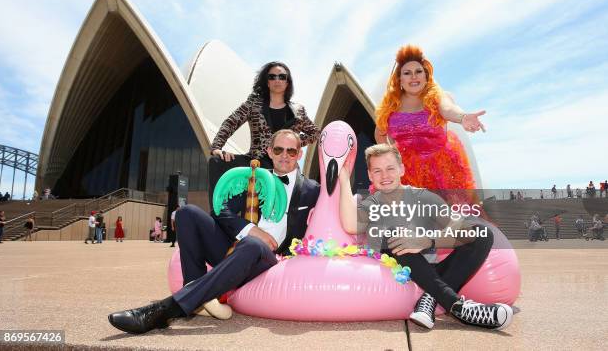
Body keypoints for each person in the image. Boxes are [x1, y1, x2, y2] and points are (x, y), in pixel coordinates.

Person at [108, 129, 320, 334]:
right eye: (279, 150)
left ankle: (165, 310)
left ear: (299, 154)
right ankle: (196, 290)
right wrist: (250, 229)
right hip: (234, 249)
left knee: (252, 245)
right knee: (187, 213)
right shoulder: (253, 179)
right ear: (268, 151)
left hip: (269, 260)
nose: (284, 156)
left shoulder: (313, 190)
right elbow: (221, 210)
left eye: (291, 151)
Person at [339, 144, 513, 331]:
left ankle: (429, 300)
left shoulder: (424, 198)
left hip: (432, 274)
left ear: (401, 169)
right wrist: (343, 176)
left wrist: (426, 239)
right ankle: (458, 306)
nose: (385, 176)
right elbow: (350, 224)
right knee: (393, 234)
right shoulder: (370, 204)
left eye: (390, 168)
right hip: (395, 278)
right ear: (370, 175)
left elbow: (457, 225)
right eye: (377, 171)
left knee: (481, 234)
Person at [207, 61, 319, 208]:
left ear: (287, 82)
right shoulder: (253, 104)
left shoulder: (298, 110)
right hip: (255, 160)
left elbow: (315, 133)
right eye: (272, 77)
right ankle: (219, 214)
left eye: (282, 77)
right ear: (267, 82)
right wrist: (217, 147)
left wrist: (292, 144)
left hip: (283, 163)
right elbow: (230, 123)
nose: (277, 80)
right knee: (216, 161)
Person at [374, 45, 485, 194]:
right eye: (407, 73)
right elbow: (379, 133)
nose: (414, 76)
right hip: (405, 175)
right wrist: (391, 155)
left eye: (418, 71)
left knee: (446, 215)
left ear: (426, 76)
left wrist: (463, 117)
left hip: (441, 174)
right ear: (400, 79)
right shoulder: (389, 106)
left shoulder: (437, 97)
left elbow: (448, 109)